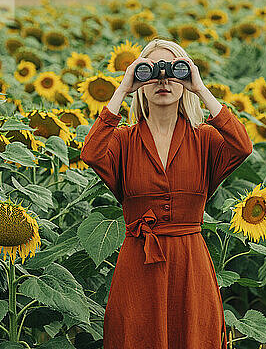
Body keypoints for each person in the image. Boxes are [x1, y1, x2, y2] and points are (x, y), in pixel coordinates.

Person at [80, 38, 253, 349]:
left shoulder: (205, 140)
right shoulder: (123, 141)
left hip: (191, 268)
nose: (163, 79)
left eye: (174, 71)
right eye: (151, 71)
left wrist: (200, 88)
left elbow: (242, 146)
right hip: (139, 267)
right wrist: (122, 89)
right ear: (139, 80)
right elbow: (91, 153)